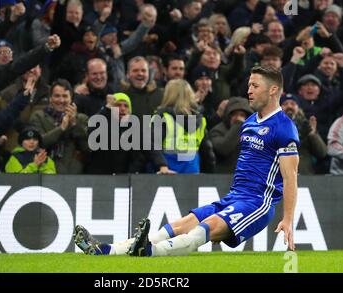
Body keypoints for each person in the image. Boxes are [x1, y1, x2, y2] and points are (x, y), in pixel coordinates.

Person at [74, 66, 300, 256]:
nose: (249, 91)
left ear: (273, 90)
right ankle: (107, 250)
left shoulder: (284, 128)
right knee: (183, 223)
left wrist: (288, 219)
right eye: (249, 85)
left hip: (256, 203)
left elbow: (290, 177)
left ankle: (149, 252)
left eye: (255, 86)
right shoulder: (250, 122)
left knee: (205, 228)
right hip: (233, 197)